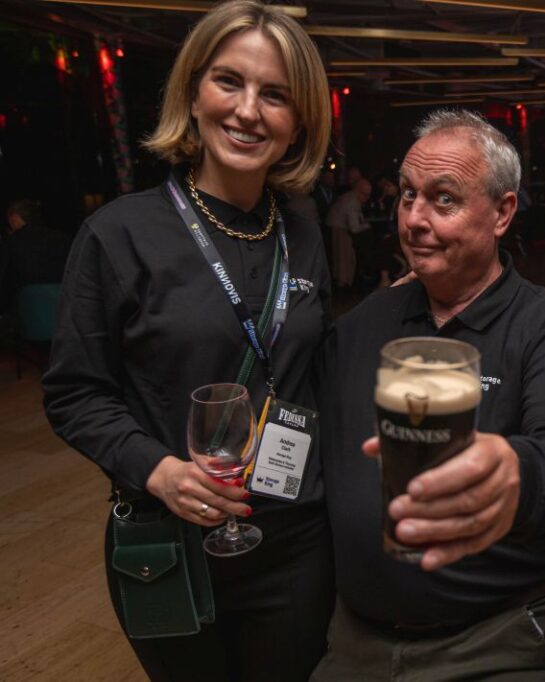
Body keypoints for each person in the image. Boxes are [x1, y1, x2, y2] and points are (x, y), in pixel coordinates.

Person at [42, 3, 334, 680]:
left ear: (299, 123)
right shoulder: (119, 236)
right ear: (193, 93)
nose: (248, 111)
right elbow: (74, 392)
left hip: (295, 543)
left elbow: (311, 366)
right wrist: (157, 470)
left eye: (276, 95)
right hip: (171, 540)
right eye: (229, 82)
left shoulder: (304, 233)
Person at [312, 109, 545, 681]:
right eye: (406, 196)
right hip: (356, 641)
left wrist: (515, 471)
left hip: (496, 643)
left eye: (443, 200)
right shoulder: (367, 321)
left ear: (502, 212)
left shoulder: (540, 325)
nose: (414, 219)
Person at [5, 198, 72, 288]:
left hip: (28, 297)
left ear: (15, 217)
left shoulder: (13, 242)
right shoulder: (62, 238)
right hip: (63, 293)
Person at [327, 177, 375, 289]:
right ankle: (343, 285)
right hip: (339, 230)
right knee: (345, 259)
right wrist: (368, 225)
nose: (367, 198)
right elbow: (354, 228)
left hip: (336, 228)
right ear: (357, 190)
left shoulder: (350, 197)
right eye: (365, 195)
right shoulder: (352, 203)